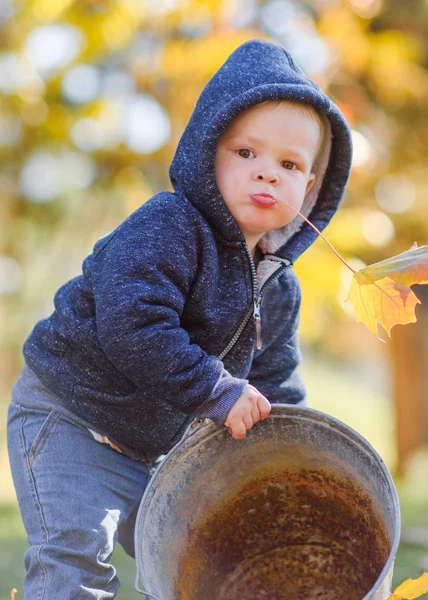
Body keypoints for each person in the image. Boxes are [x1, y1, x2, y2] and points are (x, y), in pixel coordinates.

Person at [7, 38, 352, 599]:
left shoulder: (278, 285)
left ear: (310, 187)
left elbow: (275, 383)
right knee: (76, 554)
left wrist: (288, 457)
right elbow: (132, 323)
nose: (267, 174)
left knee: (201, 568)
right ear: (207, 150)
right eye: (246, 154)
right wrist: (215, 389)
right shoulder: (169, 226)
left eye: (288, 165)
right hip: (70, 414)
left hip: (155, 449)